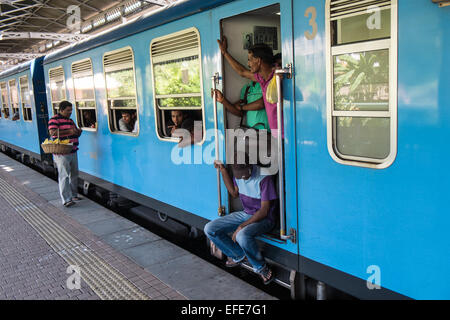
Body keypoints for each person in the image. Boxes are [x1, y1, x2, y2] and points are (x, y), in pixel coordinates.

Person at [204, 156, 278, 285]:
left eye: (245, 174)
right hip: (246, 214)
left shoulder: (264, 177)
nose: (243, 178)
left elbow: (264, 210)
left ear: (251, 166)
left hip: (265, 219)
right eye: (239, 176)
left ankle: (262, 268)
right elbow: (234, 193)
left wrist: (242, 226)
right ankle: (238, 255)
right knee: (210, 229)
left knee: (242, 235)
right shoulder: (238, 174)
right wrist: (223, 170)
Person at [217, 37, 283, 138]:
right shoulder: (262, 78)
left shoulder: (277, 77)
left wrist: (242, 107)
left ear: (258, 61)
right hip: (276, 136)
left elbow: (262, 103)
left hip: (285, 135)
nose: (248, 64)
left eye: (250, 60)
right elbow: (242, 72)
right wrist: (224, 52)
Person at [48, 101, 82, 207]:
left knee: (74, 174)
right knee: (64, 176)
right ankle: (66, 199)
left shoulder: (70, 120)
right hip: (61, 153)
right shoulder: (54, 120)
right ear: (61, 110)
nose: (70, 112)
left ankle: (74, 195)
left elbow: (74, 132)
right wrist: (69, 132)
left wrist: (78, 132)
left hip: (73, 150)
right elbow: (52, 133)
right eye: (68, 110)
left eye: (71, 110)